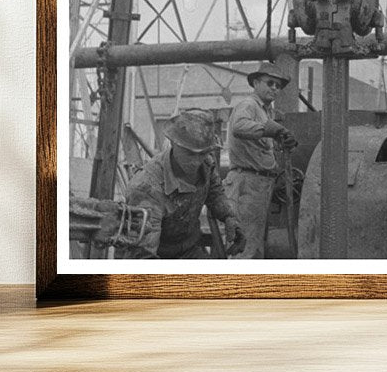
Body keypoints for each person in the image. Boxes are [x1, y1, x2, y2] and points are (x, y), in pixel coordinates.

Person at [115, 108, 244, 259]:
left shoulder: (207, 163)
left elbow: (215, 194)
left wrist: (229, 217)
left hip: (188, 250)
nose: (196, 162)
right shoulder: (147, 187)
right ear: (173, 143)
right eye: (190, 153)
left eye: (202, 153)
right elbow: (142, 255)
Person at [225, 61, 298, 259]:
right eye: (269, 83)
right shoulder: (249, 105)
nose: (274, 88)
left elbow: (263, 145)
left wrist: (280, 137)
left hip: (259, 184)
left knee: (254, 246)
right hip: (247, 183)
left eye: (278, 86)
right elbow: (239, 127)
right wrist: (269, 129)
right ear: (256, 83)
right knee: (245, 247)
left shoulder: (266, 111)